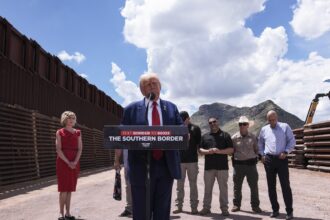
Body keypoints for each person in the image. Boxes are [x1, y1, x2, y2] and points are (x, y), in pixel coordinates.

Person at [121, 72, 182, 220]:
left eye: (155, 83)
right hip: (140, 167)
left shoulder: (171, 108)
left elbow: (181, 129)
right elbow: (121, 135)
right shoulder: (131, 109)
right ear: (142, 90)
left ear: (160, 87)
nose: (152, 86)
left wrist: (186, 134)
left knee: (162, 209)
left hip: (166, 166)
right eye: (148, 84)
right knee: (141, 211)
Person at [258, 110, 295, 220]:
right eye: (269, 120)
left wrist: (286, 151)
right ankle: (275, 210)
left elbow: (292, 141)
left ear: (276, 118)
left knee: (285, 186)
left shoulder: (285, 127)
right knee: (271, 186)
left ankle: (289, 211)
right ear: (267, 120)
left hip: (281, 159)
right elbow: (260, 143)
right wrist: (262, 155)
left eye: (273, 120)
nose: (271, 122)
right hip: (269, 160)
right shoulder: (264, 129)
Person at [198, 117, 233, 217]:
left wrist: (220, 151)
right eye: (210, 123)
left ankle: (224, 209)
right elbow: (200, 150)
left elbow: (231, 150)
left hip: (222, 168)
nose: (212, 124)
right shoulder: (205, 136)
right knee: (207, 189)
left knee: (223, 189)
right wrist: (208, 151)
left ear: (218, 122)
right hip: (209, 168)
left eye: (214, 122)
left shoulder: (225, 135)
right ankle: (206, 208)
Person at [231, 116, 262, 213]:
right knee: (237, 186)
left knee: (254, 186)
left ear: (248, 125)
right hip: (238, 165)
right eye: (240, 124)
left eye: (244, 124)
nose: (242, 126)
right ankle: (236, 205)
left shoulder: (253, 137)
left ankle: (255, 206)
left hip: (251, 165)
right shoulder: (234, 138)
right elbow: (232, 151)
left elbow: (257, 150)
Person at [173, 111, 201, 215]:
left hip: (192, 161)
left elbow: (199, 144)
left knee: (193, 185)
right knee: (179, 185)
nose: (183, 122)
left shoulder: (196, 128)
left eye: (185, 120)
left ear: (188, 118)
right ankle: (179, 206)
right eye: (181, 120)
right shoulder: (177, 128)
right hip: (180, 161)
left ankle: (194, 207)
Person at [56, 111, 83, 220]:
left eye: (73, 118)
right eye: (69, 118)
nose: (71, 120)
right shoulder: (59, 132)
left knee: (70, 189)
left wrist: (75, 162)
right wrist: (68, 162)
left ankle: (68, 213)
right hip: (63, 162)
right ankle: (61, 213)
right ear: (64, 119)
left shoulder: (78, 132)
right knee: (63, 189)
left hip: (75, 162)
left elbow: (80, 148)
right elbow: (58, 149)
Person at [114, 149, 133, 217]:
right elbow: (119, 144)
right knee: (128, 185)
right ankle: (130, 208)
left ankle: (149, 208)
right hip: (128, 161)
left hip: (145, 158)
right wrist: (116, 160)